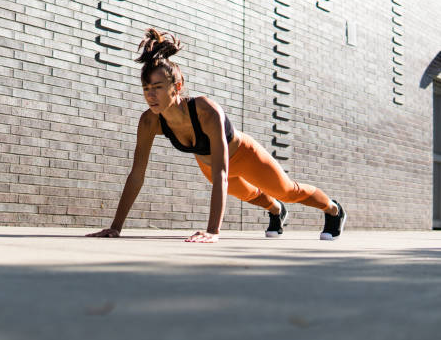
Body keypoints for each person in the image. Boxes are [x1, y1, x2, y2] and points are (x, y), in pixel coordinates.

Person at [86, 28, 347, 243]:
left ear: (177, 87)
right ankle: (277, 211)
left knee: (288, 190)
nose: (151, 95)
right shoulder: (149, 121)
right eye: (146, 88)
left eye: (158, 87)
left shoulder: (205, 110)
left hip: (243, 155)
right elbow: (137, 174)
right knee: (252, 196)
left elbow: (223, 172)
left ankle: (334, 210)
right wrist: (116, 227)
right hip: (208, 165)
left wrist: (213, 230)